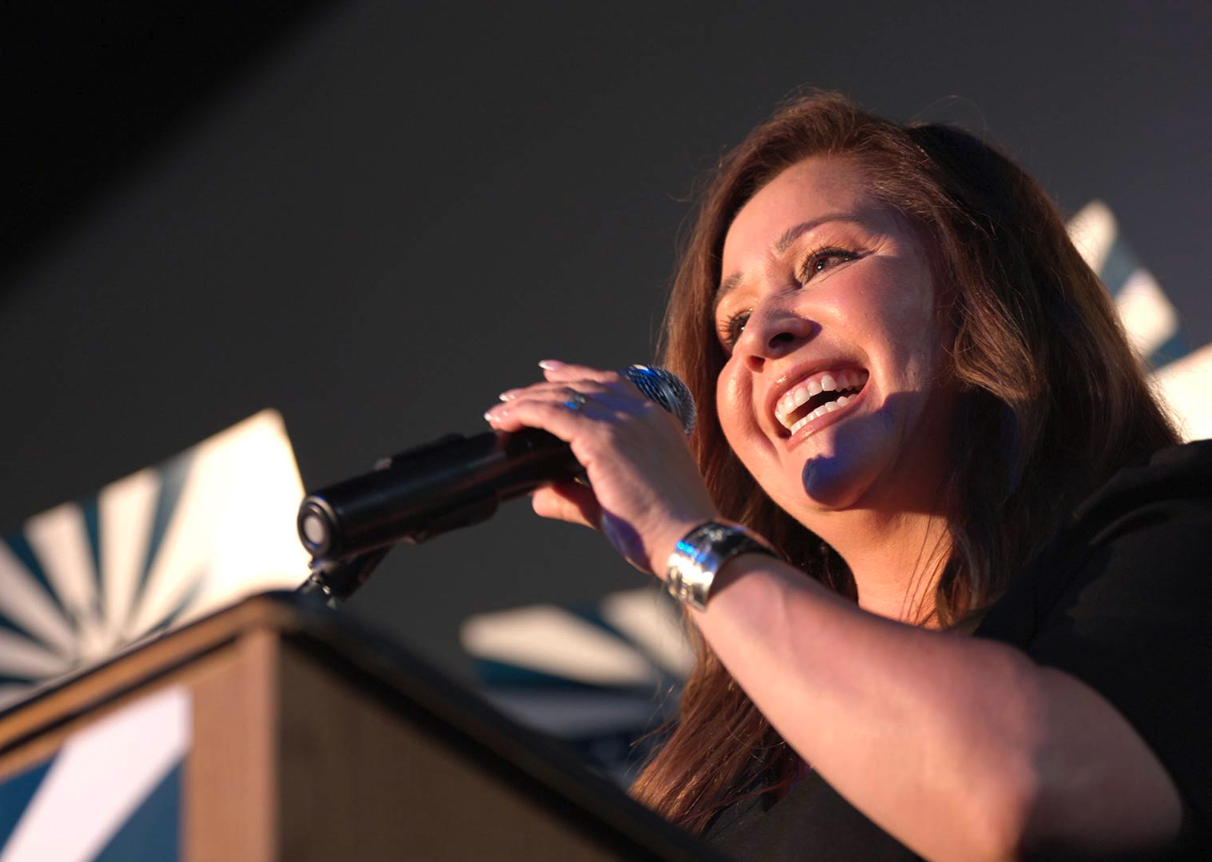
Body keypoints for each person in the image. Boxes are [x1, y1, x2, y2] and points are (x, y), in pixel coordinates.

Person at [482, 92, 1211, 862]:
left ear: (986, 285)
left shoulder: (1172, 535)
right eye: (732, 326)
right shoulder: (731, 770)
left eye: (824, 261)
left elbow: (1021, 792)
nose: (764, 333)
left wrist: (686, 540)